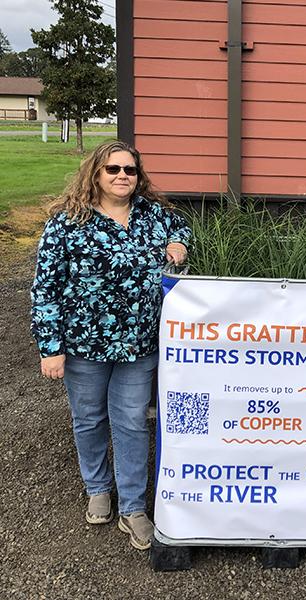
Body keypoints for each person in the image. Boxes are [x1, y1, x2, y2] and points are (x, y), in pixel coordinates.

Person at [31, 140, 191, 550]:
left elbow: (183, 228)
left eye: (130, 170)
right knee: (88, 419)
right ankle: (98, 487)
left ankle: (134, 507)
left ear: (139, 177)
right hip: (84, 345)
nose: (122, 176)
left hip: (140, 344)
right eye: (113, 169)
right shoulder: (68, 223)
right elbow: (46, 287)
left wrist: (180, 244)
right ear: (95, 174)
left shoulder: (156, 217)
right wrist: (50, 346)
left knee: (132, 422)